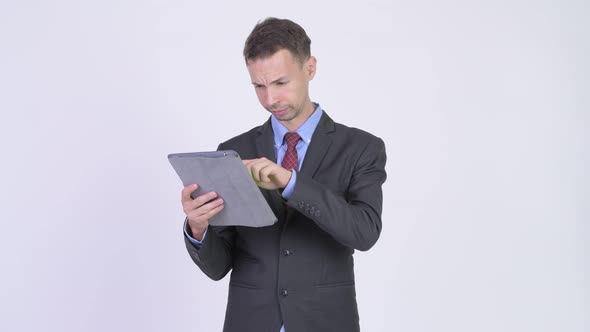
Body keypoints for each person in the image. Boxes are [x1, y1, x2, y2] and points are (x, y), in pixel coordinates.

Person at [180, 17, 387, 332]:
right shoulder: (234, 150)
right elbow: (218, 266)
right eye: (259, 86)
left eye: (280, 83)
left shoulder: (361, 148)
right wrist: (198, 228)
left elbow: (364, 233)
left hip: (326, 321)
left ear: (310, 68)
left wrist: (291, 183)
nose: (270, 99)